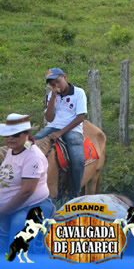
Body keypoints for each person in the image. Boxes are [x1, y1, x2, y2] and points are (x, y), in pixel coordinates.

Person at [0, 114, 54, 249]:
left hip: (31, 205)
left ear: (26, 134)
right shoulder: (13, 150)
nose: (10, 138)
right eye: (7, 135)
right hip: (9, 204)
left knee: (18, 228)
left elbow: (26, 191)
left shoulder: (33, 157)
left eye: (15, 134)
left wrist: (3, 211)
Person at [35, 68, 86, 198]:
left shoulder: (79, 92)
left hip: (73, 129)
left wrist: (60, 133)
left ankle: (75, 191)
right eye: (52, 84)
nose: (56, 86)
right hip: (52, 126)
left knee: (78, 160)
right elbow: (49, 118)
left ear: (65, 77)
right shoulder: (52, 95)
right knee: (31, 144)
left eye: (58, 82)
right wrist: (52, 98)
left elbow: (80, 117)